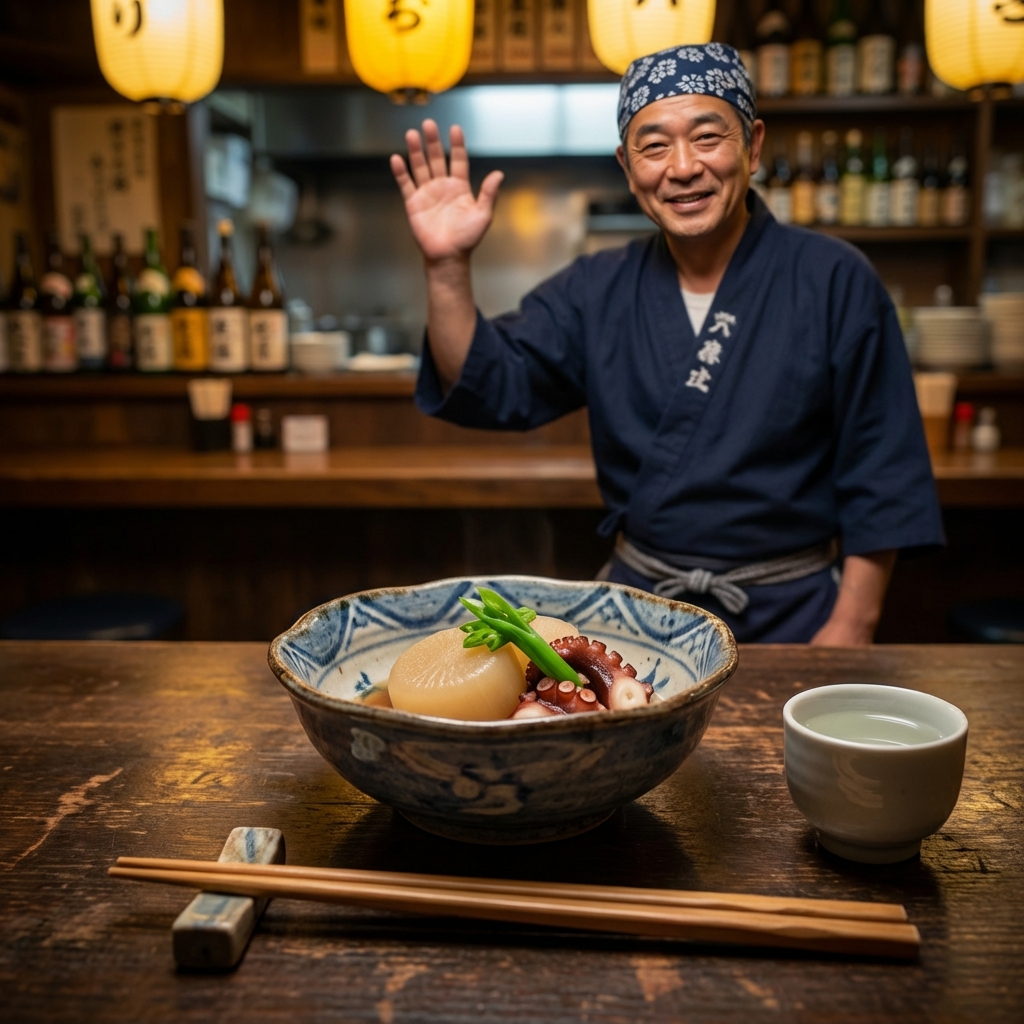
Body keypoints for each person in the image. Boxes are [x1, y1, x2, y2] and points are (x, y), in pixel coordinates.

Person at [390, 43, 943, 644]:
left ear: (753, 146)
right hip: (642, 618)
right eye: (654, 147)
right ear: (628, 169)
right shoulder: (596, 287)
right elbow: (488, 381)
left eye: (708, 137)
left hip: (795, 618)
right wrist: (446, 267)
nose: (682, 167)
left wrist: (850, 626)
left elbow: (882, 468)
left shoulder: (835, 278)